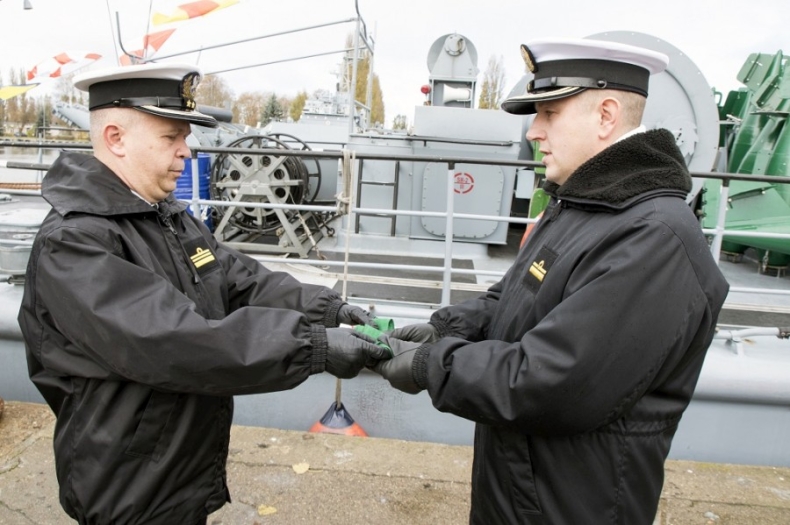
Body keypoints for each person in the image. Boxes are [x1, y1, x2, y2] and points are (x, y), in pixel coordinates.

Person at [371, 38, 730, 524]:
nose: (534, 132)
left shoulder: (653, 238)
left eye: (549, 113)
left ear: (605, 115)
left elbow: (554, 383)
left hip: (572, 504)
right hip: (524, 488)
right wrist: (448, 328)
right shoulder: (586, 204)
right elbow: (521, 295)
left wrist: (433, 365)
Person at [17, 63, 387, 525]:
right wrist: (315, 348)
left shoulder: (163, 216)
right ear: (116, 138)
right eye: (170, 138)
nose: (186, 153)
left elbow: (240, 280)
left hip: (177, 468)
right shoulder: (76, 243)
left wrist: (332, 311)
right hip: (128, 485)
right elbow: (173, 340)